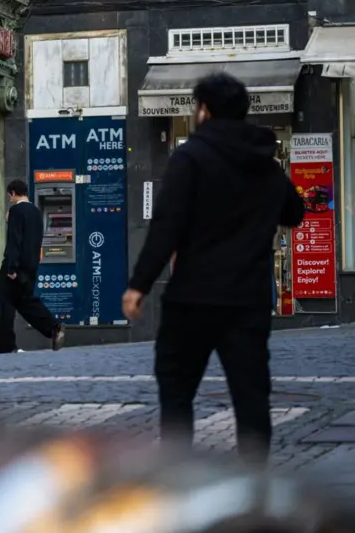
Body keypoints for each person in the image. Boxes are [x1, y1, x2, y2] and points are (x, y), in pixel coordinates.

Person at [124, 72, 304, 464]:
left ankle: (177, 471)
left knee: (177, 388)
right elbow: (295, 211)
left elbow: (166, 224)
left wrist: (139, 285)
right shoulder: (264, 163)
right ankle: (255, 481)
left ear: (204, 111)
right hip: (248, 299)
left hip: (194, 297)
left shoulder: (190, 158)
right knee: (251, 393)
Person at [0, 179, 65, 354]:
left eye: (9, 196)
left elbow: (15, 240)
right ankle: (53, 327)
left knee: (5, 303)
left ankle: (8, 346)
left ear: (12, 193)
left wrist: (11, 268)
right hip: (31, 267)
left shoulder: (16, 211)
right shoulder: (36, 211)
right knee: (25, 302)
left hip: (15, 267)